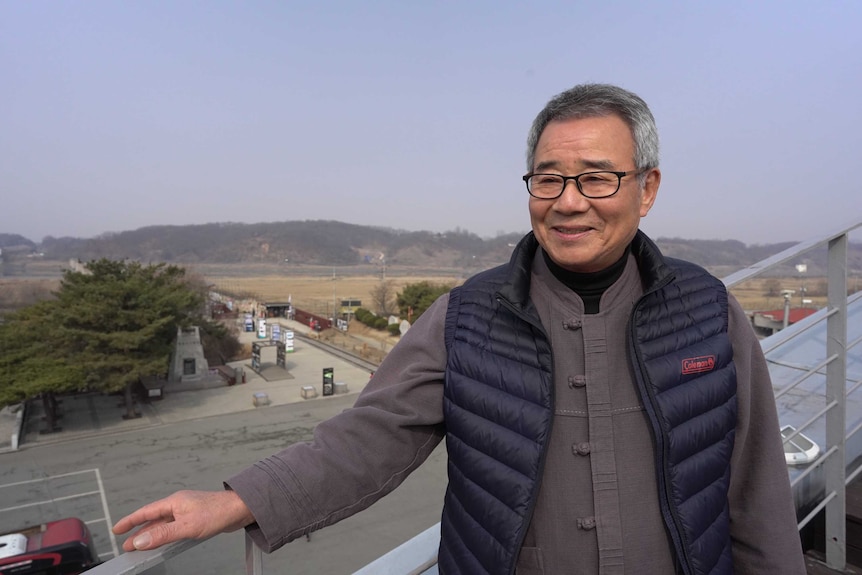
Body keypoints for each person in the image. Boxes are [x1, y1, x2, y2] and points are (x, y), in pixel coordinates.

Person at [113, 84, 806, 574]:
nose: (568, 202)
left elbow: (756, 490)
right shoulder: (467, 317)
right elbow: (368, 438)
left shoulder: (707, 309)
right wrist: (238, 499)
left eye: (597, 178)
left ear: (646, 189)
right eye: (548, 178)